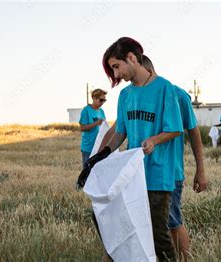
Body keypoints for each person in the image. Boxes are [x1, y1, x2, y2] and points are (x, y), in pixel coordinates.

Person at [81, 37, 182, 261]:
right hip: (132, 175)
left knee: (157, 234)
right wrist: (100, 156)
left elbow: (175, 128)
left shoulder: (164, 88)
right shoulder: (126, 95)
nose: (116, 75)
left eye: (116, 66)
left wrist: (154, 140)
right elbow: (120, 134)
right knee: (121, 225)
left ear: (131, 57)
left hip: (157, 174)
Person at [99, 55, 207, 261]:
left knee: (171, 223)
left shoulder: (175, 94)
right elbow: (117, 129)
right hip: (137, 173)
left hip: (168, 172)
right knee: (131, 223)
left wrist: (200, 170)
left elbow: (193, 132)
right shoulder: (129, 95)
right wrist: (99, 158)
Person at [79, 89, 107, 165]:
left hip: (98, 147)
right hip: (88, 148)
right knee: (87, 172)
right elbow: (82, 128)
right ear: (94, 98)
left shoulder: (101, 111)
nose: (102, 102)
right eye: (101, 100)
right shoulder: (86, 111)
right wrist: (96, 123)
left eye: (104, 100)